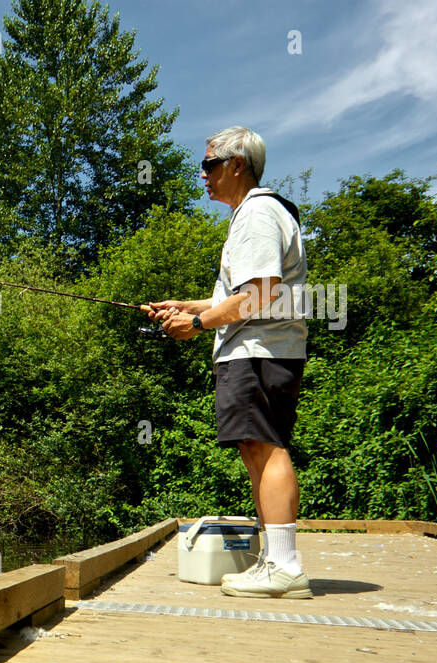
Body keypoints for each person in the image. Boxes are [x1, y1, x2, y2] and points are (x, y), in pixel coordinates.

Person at [142, 126, 313, 599]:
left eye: (209, 165)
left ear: (237, 164)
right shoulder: (252, 215)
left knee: (265, 446)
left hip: (258, 351)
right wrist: (186, 306)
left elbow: (259, 294)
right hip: (257, 350)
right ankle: (275, 561)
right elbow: (239, 296)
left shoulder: (257, 214)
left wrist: (196, 326)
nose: (203, 175)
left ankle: (284, 565)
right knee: (255, 448)